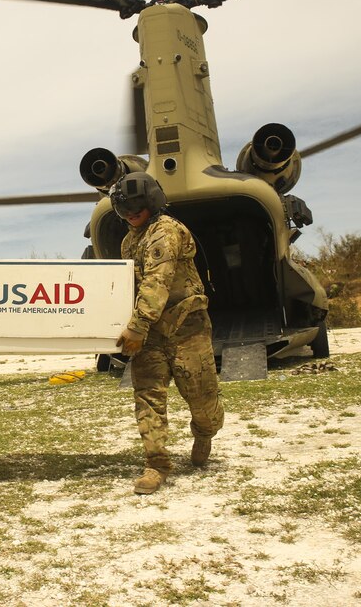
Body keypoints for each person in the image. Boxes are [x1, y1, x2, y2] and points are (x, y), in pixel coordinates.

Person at [111, 172, 225, 495]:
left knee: (203, 400)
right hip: (151, 334)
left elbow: (157, 281)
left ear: (153, 202)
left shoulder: (165, 232)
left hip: (186, 326)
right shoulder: (129, 242)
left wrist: (137, 325)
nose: (131, 215)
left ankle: (205, 433)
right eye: (124, 210)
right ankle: (156, 464)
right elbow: (130, 286)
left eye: (137, 208)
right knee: (147, 397)